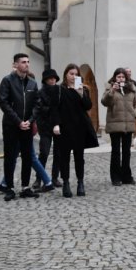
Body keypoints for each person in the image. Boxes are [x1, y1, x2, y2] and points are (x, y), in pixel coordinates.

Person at [44, 64, 98, 197]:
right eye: (71, 74)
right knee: (64, 157)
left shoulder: (82, 89)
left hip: (79, 127)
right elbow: (54, 108)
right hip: (64, 128)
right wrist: (55, 124)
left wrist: (81, 94)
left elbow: (88, 105)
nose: (74, 77)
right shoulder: (59, 89)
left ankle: (80, 182)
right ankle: (66, 183)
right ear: (66, 75)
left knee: (79, 157)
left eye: (76, 74)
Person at [0, 53, 39, 200]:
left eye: (28, 62)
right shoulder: (7, 81)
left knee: (27, 157)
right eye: (23, 62)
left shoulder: (33, 83)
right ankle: (9, 188)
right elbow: (3, 103)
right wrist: (17, 121)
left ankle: (25, 187)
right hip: (11, 126)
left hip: (27, 126)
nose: (26, 64)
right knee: (10, 157)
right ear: (15, 65)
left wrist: (30, 120)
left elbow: (36, 104)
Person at [101, 67, 136, 186]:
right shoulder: (109, 87)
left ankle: (127, 176)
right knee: (116, 152)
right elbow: (104, 102)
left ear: (126, 78)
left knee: (127, 152)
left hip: (128, 123)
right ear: (115, 78)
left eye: (123, 76)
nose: (121, 78)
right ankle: (115, 177)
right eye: (119, 76)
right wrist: (112, 91)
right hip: (115, 124)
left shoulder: (132, 88)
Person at [34, 68, 61, 186]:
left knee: (58, 153)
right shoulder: (40, 93)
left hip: (59, 126)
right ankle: (39, 178)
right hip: (45, 127)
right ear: (45, 80)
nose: (53, 80)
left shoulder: (60, 90)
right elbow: (38, 110)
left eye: (54, 78)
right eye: (50, 78)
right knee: (44, 153)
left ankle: (55, 178)